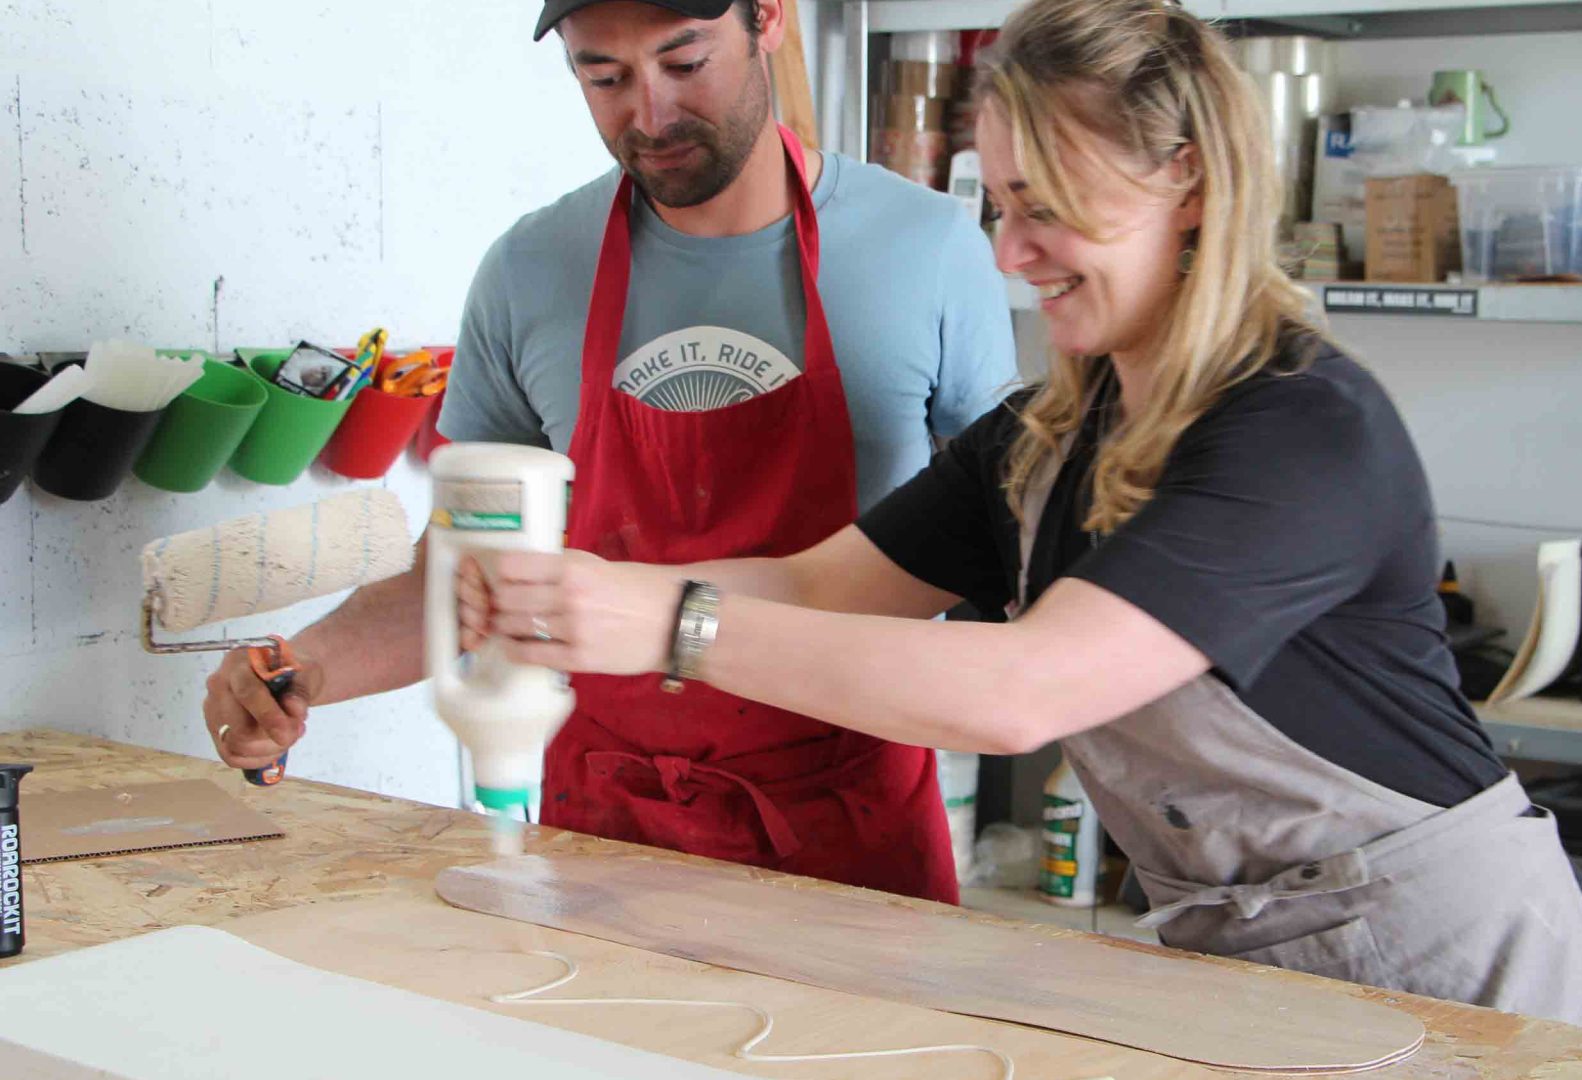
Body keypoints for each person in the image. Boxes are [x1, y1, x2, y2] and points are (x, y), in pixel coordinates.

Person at [453, 0, 1582, 1033]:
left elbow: (1022, 689)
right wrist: (576, 596)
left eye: (1052, 205)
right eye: (1002, 202)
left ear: (1183, 176)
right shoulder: (1045, 438)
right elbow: (824, 584)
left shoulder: (1296, 426)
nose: (1012, 250)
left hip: (1464, 978)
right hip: (1240, 962)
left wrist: (672, 627)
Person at [199, 0, 1018, 906]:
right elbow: (470, 571)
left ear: (769, 21)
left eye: (684, 62)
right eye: (605, 78)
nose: (650, 114)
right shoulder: (531, 268)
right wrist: (303, 672)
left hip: (848, 821)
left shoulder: (928, 249)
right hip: (603, 829)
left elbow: (992, 541)